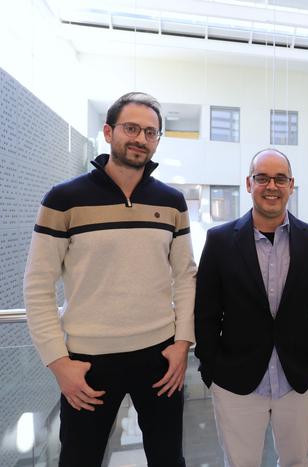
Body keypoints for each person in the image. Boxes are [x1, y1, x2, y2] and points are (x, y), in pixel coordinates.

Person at [23, 92, 196, 467]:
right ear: (108, 132)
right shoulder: (63, 199)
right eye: (131, 128)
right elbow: (37, 285)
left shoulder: (172, 202)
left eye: (151, 132)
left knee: (169, 459)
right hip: (88, 362)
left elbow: (185, 277)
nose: (140, 139)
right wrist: (58, 362)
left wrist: (182, 343)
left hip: (161, 358)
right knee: (79, 460)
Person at [194, 149, 308, 467]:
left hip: (299, 380)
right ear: (249, 183)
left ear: (291, 185)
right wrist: (212, 370)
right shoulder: (219, 241)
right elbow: (205, 313)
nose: (271, 186)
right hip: (236, 382)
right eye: (262, 178)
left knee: (297, 462)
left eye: (280, 179)